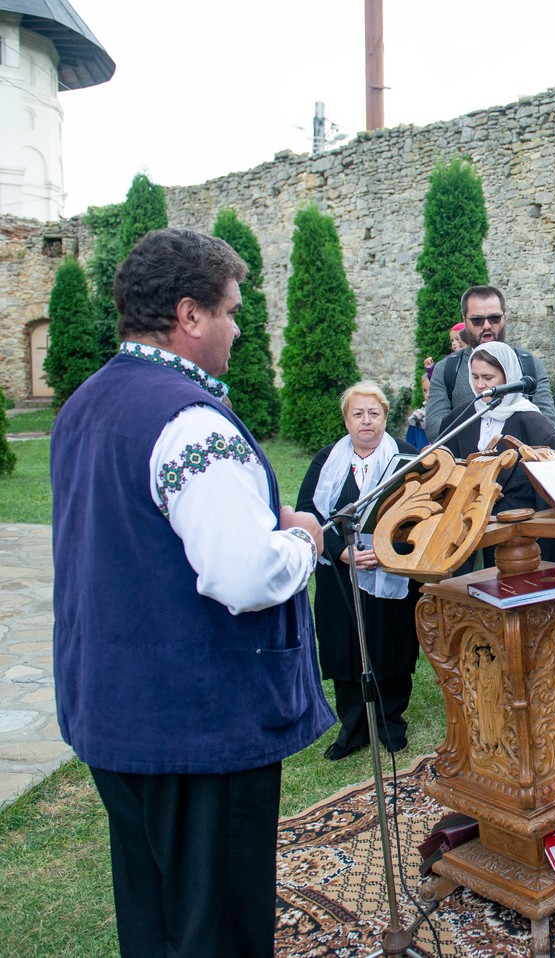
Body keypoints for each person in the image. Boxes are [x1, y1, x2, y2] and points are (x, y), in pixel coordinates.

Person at [50, 228, 333, 957]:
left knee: (156, 919)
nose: (239, 328)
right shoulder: (187, 421)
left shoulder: (84, 402)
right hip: (197, 727)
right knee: (217, 931)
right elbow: (241, 575)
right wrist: (302, 540)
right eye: (232, 310)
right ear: (189, 314)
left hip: (116, 709)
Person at [296, 382, 421, 761]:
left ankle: (389, 723)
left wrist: (387, 551)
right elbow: (309, 511)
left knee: (390, 642)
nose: (366, 421)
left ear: (385, 416)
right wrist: (343, 551)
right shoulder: (326, 460)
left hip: (392, 566)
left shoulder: (407, 456)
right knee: (346, 644)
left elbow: (423, 510)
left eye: (374, 413)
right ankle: (352, 727)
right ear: (347, 419)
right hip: (341, 571)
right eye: (358, 413)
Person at [439, 341, 555, 564]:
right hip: (460, 544)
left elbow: (550, 506)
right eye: (475, 376)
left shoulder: (536, 428)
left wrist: (548, 565)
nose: (480, 385)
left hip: (516, 547)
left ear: (508, 377)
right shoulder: (458, 420)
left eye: (488, 378)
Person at [427, 284, 555, 429]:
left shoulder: (530, 364)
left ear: (504, 317)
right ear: (465, 320)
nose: (487, 325)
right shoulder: (447, 369)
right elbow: (435, 427)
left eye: (494, 318)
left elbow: (547, 425)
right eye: (477, 320)